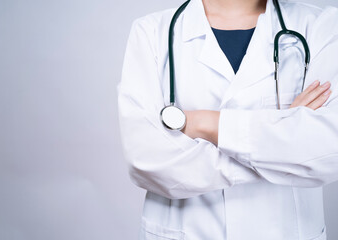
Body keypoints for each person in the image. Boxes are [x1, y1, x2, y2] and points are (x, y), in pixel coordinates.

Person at [117, 0, 338, 239]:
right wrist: (284, 140)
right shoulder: (152, 32)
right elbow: (147, 159)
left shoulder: (322, 26)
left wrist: (204, 123)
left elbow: (330, 147)